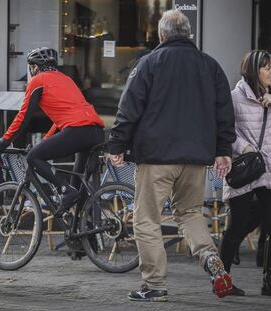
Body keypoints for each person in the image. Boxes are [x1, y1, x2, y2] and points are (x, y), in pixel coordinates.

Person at [108, 10, 236, 301]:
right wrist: (223, 150)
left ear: (161, 35)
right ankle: (211, 260)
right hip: (195, 159)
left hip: (156, 157)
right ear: (189, 34)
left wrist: (116, 145)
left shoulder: (149, 63)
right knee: (189, 213)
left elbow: (129, 108)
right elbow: (224, 113)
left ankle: (154, 285)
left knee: (147, 219)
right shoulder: (210, 66)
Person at [0, 47, 105, 215]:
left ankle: (65, 190)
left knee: (34, 156)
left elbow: (23, 116)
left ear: (34, 67)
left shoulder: (38, 80)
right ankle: (83, 231)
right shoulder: (66, 79)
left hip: (78, 130)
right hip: (95, 132)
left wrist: (4, 141)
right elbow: (62, 118)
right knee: (77, 181)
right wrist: (46, 140)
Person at [221, 50, 271, 297]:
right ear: (254, 71)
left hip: (268, 170)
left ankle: (268, 282)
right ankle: (223, 280)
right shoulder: (234, 97)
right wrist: (245, 147)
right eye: (267, 68)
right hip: (244, 168)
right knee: (235, 228)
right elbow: (226, 131)